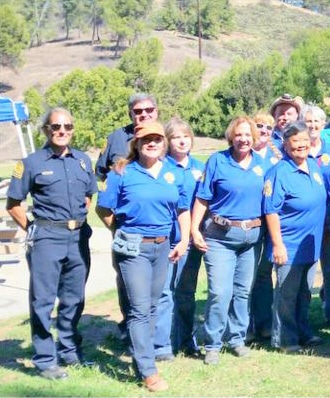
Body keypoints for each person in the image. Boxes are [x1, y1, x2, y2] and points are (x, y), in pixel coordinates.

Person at [96, 121, 191, 392]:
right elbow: (103, 209)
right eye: (146, 139)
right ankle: (149, 371)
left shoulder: (173, 171)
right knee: (139, 309)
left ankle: (142, 357)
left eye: (157, 139)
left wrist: (183, 239)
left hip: (163, 246)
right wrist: (121, 231)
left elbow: (182, 208)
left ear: (164, 143)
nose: (152, 143)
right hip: (133, 248)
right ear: (136, 144)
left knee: (151, 306)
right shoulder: (122, 172)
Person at [6, 108, 97, 380]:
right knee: (43, 300)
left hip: (78, 238)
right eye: (55, 126)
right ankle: (45, 359)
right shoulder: (31, 162)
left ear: (73, 129)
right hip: (47, 237)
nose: (62, 131)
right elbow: (13, 205)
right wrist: (34, 229)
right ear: (45, 129)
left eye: (67, 126)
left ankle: (69, 350)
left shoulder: (82, 160)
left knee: (74, 298)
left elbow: (88, 196)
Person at [190, 116, 268, 365]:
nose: (244, 139)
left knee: (243, 292)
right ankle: (212, 343)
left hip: (252, 238)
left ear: (254, 138)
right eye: (239, 134)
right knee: (220, 292)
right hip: (220, 238)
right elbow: (202, 198)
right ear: (231, 137)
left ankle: (236, 338)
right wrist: (194, 229)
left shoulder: (263, 165)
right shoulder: (217, 161)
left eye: (248, 135)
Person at [95, 93, 159, 342]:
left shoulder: (162, 135)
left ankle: (157, 330)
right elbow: (100, 174)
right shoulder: (116, 138)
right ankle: (128, 329)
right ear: (130, 114)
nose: (143, 114)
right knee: (126, 279)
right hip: (126, 227)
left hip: (160, 225)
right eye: (137, 111)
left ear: (156, 111)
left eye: (148, 110)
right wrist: (114, 224)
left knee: (158, 285)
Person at [263, 122, 327, 352]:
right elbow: (270, 210)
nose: (300, 146)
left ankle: (303, 331)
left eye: (304, 141)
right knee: (287, 295)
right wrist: (278, 244)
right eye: (295, 143)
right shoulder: (279, 172)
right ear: (285, 145)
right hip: (288, 245)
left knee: (304, 293)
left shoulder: (313, 164)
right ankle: (285, 339)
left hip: (310, 245)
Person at [154, 117, 205, 361]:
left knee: (186, 292)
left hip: (191, 241)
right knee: (164, 293)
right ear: (167, 141)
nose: (181, 141)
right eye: (175, 137)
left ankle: (186, 341)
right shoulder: (161, 167)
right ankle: (162, 345)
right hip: (166, 239)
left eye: (185, 136)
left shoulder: (200, 167)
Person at [302, 104, 330, 328]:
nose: (313, 126)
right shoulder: (298, 150)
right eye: (308, 122)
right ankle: (302, 315)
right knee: (306, 269)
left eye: (317, 121)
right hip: (306, 220)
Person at [247, 111, 284, 342]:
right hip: (247, 222)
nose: (263, 131)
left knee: (263, 274)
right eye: (259, 126)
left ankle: (264, 323)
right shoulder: (243, 153)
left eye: (268, 128)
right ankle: (246, 324)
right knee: (246, 275)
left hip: (268, 223)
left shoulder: (275, 157)